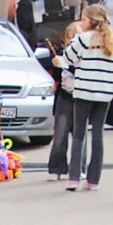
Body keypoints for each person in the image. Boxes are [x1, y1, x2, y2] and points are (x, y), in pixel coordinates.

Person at [62, 4, 113, 191]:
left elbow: (68, 58)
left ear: (91, 21)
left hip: (83, 91)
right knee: (98, 135)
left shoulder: (83, 38)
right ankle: (93, 180)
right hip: (104, 94)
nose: (81, 22)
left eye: (84, 19)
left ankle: (73, 178)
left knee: (79, 134)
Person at [47, 22, 80, 181]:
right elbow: (56, 78)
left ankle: (79, 167)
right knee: (60, 132)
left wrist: (66, 65)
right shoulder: (62, 53)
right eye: (69, 36)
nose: (71, 39)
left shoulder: (85, 54)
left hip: (81, 97)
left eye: (75, 36)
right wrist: (56, 65)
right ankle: (56, 168)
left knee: (79, 136)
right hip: (65, 96)